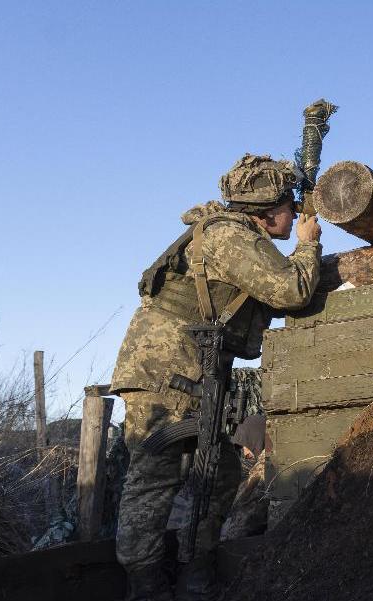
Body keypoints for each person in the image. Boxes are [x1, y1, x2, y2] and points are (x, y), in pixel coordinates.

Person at [111, 154, 321, 601]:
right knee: (153, 477)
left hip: (194, 372)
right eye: (291, 208)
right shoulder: (229, 237)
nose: (297, 216)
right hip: (163, 369)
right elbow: (291, 290)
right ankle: (144, 585)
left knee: (221, 471)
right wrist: (308, 245)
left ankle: (196, 571)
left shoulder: (240, 236)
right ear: (267, 214)